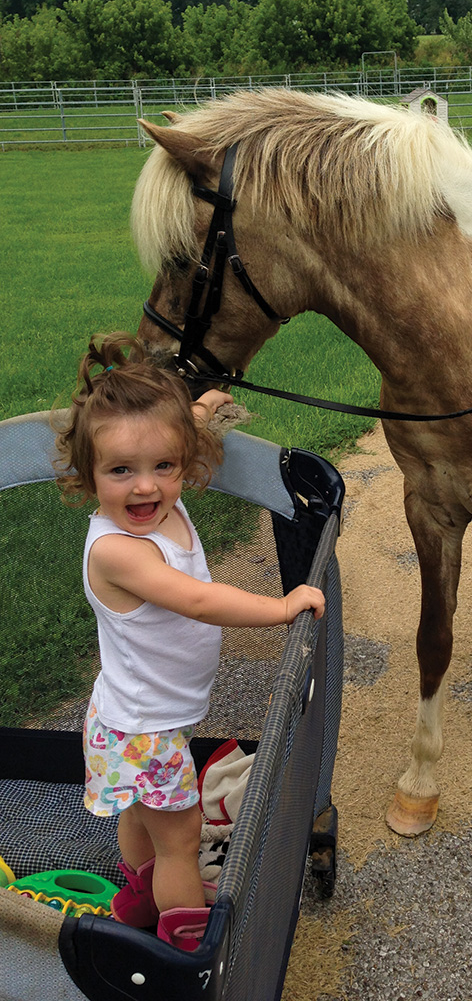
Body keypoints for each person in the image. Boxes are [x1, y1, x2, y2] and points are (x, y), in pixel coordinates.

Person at [53, 333, 325, 951]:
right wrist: (281, 607)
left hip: (130, 717)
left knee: (137, 812)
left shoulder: (153, 500)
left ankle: (138, 897)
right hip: (143, 727)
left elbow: (168, 437)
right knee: (181, 840)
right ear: (87, 473)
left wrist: (198, 412)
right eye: (120, 470)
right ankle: (186, 948)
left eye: (163, 467)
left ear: (183, 457)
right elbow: (200, 600)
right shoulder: (121, 550)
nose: (145, 488)